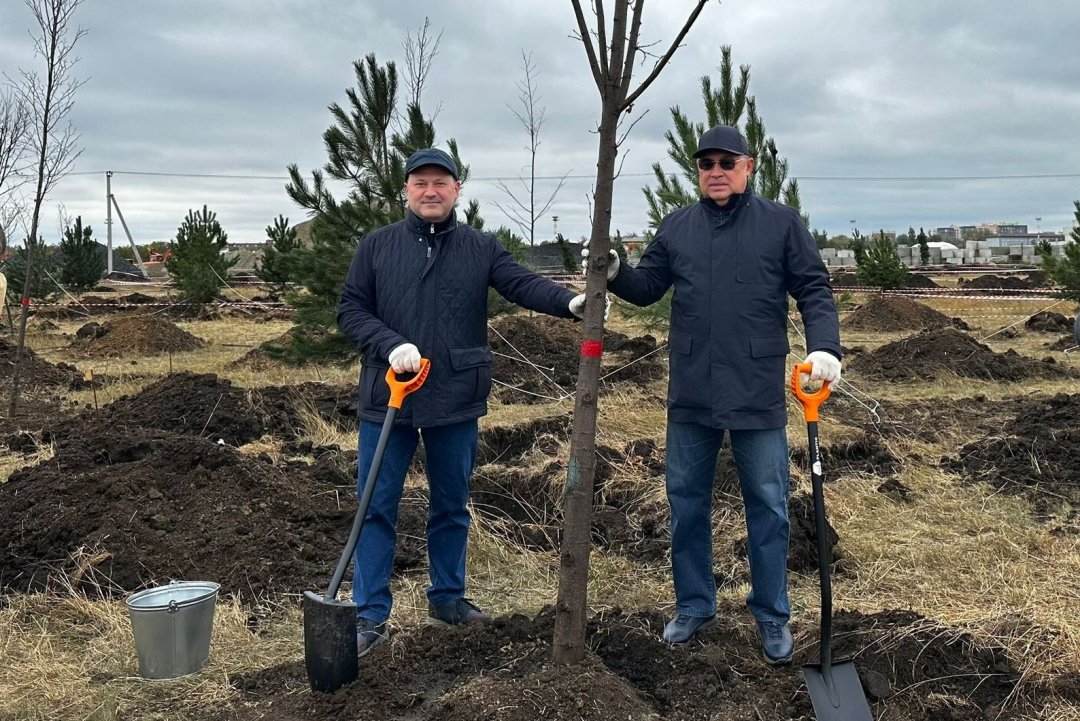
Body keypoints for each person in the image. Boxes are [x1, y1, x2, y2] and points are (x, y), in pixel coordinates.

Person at [587, 125, 841, 664]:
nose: (717, 171)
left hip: (756, 391)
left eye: (728, 161)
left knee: (769, 507)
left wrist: (825, 349)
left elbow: (815, 288)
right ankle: (695, 604)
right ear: (697, 171)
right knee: (686, 503)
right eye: (707, 163)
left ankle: (772, 614)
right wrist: (615, 272)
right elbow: (647, 286)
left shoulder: (780, 225)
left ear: (749, 167)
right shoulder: (678, 227)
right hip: (692, 392)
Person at [338, 147, 593, 657]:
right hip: (387, 395)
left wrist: (570, 302)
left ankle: (448, 598)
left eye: (441, 182)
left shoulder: (481, 247)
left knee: (451, 504)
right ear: (405, 190)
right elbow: (351, 309)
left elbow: (521, 283)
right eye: (420, 183)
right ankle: (369, 615)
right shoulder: (377, 246)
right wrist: (391, 343)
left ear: (457, 190)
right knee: (375, 507)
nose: (430, 191)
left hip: (454, 394)